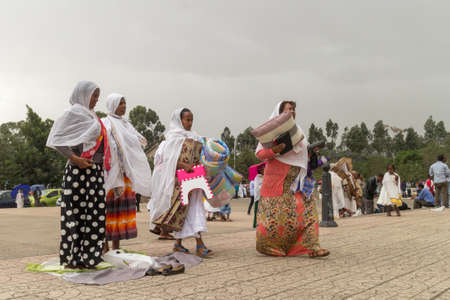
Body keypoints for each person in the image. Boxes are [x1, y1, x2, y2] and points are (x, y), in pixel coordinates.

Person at [47, 81, 110, 269]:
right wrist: (75, 159)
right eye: (94, 95)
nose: (97, 99)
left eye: (98, 95)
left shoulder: (93, 117)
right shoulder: (72, 114)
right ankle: (72, 258)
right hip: (77, 172)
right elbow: (57, 140)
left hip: (95, 172)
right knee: (75, 214)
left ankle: (91, 257)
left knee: (95, 215)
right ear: (83, 94)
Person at [255, 101, 329, 258]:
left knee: (309, 211)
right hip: (277, 183)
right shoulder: (271, 131)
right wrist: (274, 150)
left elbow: (302, 155)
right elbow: (260, 154)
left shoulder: (299, 131)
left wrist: (311, 153)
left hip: (298, 182)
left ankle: (313, 247)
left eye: (294, 109)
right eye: (289, 109)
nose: (293, 112)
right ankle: (270, 247)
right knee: (275, 220)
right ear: (280, 114)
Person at [148, 108, 213, 258]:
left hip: (195, 181)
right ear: (179, 120)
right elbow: (165, 161)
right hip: (179, 183)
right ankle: (195, 244)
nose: (190, 123)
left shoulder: (196, 138)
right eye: (187, 120)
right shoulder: (171, 139)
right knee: (182, 213)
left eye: (191, 120)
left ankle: (189, 244)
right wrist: (184, 166)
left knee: (195, 211)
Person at [102, 94, 152, 251]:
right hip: (111, 175)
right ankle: (104, 246)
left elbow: (140, 143)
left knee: (121, 211)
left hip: (126, 176)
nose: (124, 106)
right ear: (112, 105)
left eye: (124, 103)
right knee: (108, 210)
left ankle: (116, 247)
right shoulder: (105, 123)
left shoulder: (127, 125)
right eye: (120, 103)